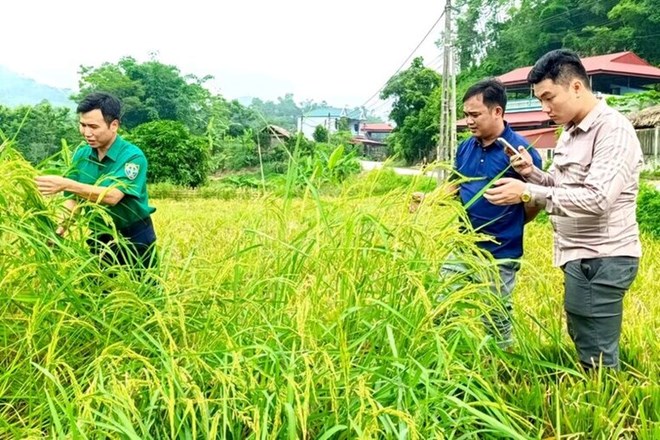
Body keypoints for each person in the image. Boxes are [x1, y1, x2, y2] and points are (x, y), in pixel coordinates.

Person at [484, 49, 642, 370]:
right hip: (580, 256)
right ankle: (599, 394)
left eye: (548, 97)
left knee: (595, 351)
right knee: (585, 334)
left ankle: (605, 406)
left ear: (575, 87)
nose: (544, 108)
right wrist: (531, 172)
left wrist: (527, 192)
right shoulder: (571, 131)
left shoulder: (612, 130)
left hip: (603, 257)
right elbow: (561, 184)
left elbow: (597, 199)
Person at [414, 78, 543, 347]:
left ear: (497, 112)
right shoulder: (465, 147)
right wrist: (429, 199)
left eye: (475, 115)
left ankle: (502, 365)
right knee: (441, 301)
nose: (469, 121)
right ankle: (442, 357)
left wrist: (513, 224)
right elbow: (457, 186)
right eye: (466, 115)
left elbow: (536, 200)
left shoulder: (521, 152)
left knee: (495, 315)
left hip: (501, 252)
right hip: (464, 245)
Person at [35, 92, 157, 270]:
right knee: (98, 292)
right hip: (100, 237)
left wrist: (66, 183)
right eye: (82, 125)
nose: (86, 133)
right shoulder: (82, 155)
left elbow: (112, 196)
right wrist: (59, 232)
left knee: (143, 291)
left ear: (114, 125)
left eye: (93, 126)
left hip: (135, 236)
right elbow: (73, 200)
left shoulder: (132, 157)